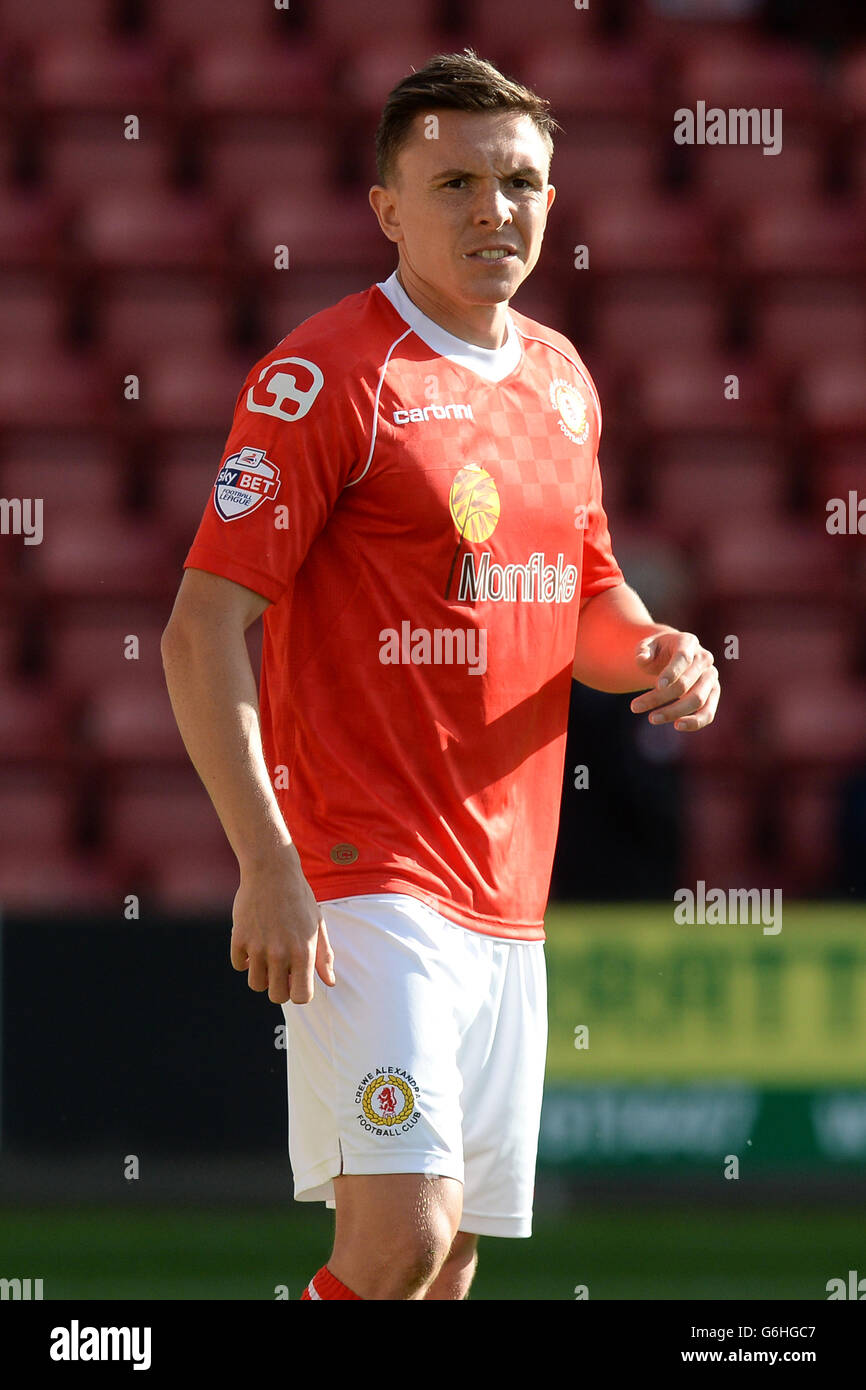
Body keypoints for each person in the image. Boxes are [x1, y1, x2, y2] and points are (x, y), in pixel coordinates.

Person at [160, 51, 720, 1302]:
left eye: (517, 182)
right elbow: (198, 631)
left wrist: (657, 652)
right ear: (386, 208)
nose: (491, 209)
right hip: (365, 876)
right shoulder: (324, 377)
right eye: (453, 182)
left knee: (447, 1259)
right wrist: (268, 859)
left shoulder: (561, 380)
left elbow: (584, 599)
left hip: (507, 895)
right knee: (401, 1237)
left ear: (550, 201)